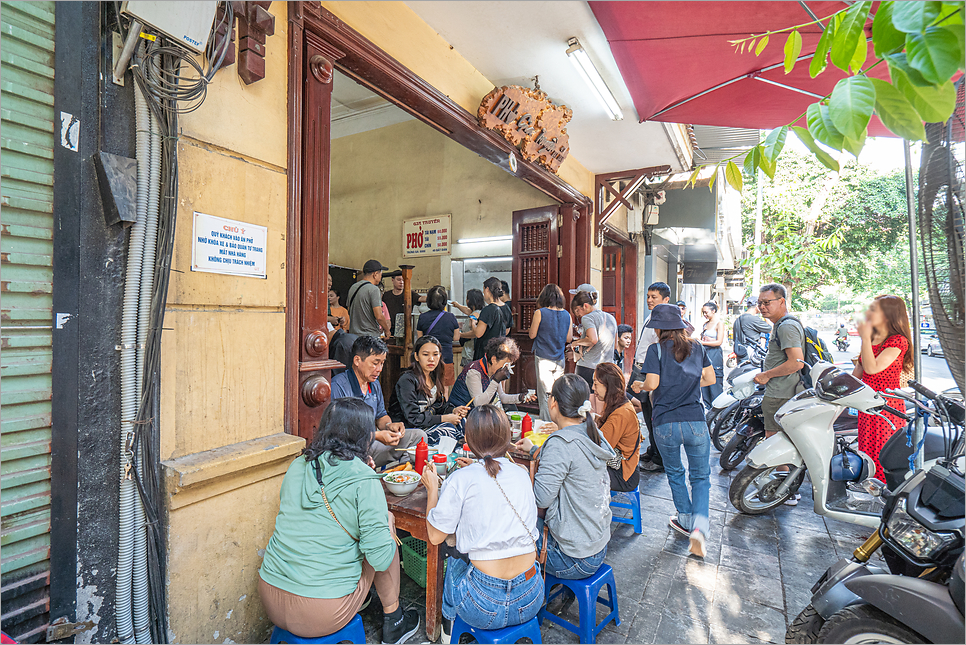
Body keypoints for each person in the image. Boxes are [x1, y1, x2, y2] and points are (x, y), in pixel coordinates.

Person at [258, 399, 420, 643]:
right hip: (322, 612)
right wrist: (383, 520)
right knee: (385, 526)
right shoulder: (364, 479)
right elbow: (380, 557)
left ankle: (360, 596)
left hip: (270, 596)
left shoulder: (296, 466)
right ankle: (394, 619)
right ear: (363, 435)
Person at [421, 406, 543, 641]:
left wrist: (433, 489)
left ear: (467, 439)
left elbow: (435, 536)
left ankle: (447, 633)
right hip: (530, 597)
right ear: (508, 437)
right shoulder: (520, 473)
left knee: (454, 557)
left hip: (483, 606)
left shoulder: (460, 479)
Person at [514, 375, 612, 580]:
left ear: (553, 403)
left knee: (512, 528)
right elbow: (573, 463)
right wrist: (535, 451)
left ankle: (523, 598)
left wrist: (520, 475)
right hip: (597, 546)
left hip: (572, 558)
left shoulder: (560, 443)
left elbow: (540, 499)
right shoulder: (591, 432)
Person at [638, 304, 716, 558]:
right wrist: (688, 384)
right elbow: (710, 379)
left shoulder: (655, 350)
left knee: (675, 472)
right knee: (701, 477)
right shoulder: (698, 347)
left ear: (659, 328)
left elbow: (653, 384)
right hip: (695, 420)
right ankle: (699, 528)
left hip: (665, 423)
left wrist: (640, 383)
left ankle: (684, 518)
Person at [330, 335, 427, 467]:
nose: (380, 369)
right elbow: (340, 434)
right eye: (375, 363)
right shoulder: (338, 385)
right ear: (357, 360)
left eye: (382, 363)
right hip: (350, 450)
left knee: (419, 436)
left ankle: (402, 474)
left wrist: (389, 426)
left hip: (373, 445)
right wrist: (376, 435)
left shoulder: (374, 384)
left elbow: (381, 415)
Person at [753, 284, 806, 505]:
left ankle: (786, 491)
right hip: (782, 391)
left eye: (767, 302)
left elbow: (796, 362)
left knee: (776, 442)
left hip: (782, 392)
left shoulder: (786, 326)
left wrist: (766, 375)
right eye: (760, 303)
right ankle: (784, 488)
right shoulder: (781, 325)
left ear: (781, 301)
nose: (762, 307)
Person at [852, 295, 912, 480]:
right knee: (867, 453)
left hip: (886, 407)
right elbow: (858, 373)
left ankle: (885, 495)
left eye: (873, 309)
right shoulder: (871, 339)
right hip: (867, 405)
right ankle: (870, 489)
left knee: (883, 453)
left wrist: (864, 338)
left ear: (888, 315)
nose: (868, 313)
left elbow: (873, 369)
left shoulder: (897, 341)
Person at [388, 336, 470, 445]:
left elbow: (439, 406)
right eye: (425, 354)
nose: (431, 359)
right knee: (448, 429)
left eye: (435, 354)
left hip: (427, 425)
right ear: (416, 356)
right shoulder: (407, 380)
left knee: (462, 422)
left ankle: (460, 454)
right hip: (410, 429)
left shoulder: (434, 376)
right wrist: (444, 418)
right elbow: (413, 418)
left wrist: (454, 411)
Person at [630, 282, 671, 473]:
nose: (649, 300)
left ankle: (660, 458)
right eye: (648, 296)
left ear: (666, 300)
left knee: (654, 415)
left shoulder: (664, 322)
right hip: (640, 368)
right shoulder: (652, 316)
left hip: (650, 371)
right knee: (646, 413)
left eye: (654, 297)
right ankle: (653, 449)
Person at [449, 337, 536, 411]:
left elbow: (502, 397)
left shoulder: (494, 371)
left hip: (478, 413)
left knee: (511, 408)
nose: (507, 368)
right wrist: (496, 380)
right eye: (506, 364)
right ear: (494, 359)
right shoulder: (474, 371)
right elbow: (479, 404)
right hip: (461, 414)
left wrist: (521, 397)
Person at [592, 363, 641, 492]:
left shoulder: (621, 413)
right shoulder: (619, 405)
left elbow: (599, 447)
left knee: (576, 471)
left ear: (608, 385)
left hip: (623, 476)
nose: (593, 388)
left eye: (596, 384)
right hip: (626, 469)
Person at [529, 284, 572, 421]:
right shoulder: (567, 315)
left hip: (543, 358)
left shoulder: (540, 313)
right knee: (558, 393)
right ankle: (557, 422)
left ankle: (546, 425)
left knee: (545, 395)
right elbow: (569, 338)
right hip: (559, 358)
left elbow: (532, 335)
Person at [569, 291, 618, 409]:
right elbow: (615, 345)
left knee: (586, 404)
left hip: (587, 367)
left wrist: (576, 343)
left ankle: (588, 426)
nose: (578, 315)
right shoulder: (611, 318)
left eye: (577, 311)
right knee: (601, 403)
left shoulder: (587, 318)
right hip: (606, 367)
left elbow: (593, 339)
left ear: (585, 306)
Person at [416, 286, 461, 395]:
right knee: (444, 389)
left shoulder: (423, 317)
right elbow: (456, 337)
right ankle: (443, 409)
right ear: (444, 301)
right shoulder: (451, 317)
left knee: (427, 386)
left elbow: (420, 339)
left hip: (427, 359)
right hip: (446, 357)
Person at [347, 260, 391, 338]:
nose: (381, 277)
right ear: (375, 274)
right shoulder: (374, 289)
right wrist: (387, 330)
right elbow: (379, 316)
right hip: (369, 337)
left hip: (354, 336)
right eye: (380, 274)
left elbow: (349, 310)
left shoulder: (353, 287)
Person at [469, 277, 508, 362]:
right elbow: (506, 330)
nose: (483, 293)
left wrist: (473, 323)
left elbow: (478, 333)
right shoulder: (504, 308)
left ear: (487, 289)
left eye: (483, 290)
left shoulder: (488, 310)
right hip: (499, 351)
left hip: (486, 354)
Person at [699, 301, 725, 411]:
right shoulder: (705, 324)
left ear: (713, 311)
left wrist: (703, 342)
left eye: (706, 312)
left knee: (715, 387)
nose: (705, 314)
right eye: (703, 312)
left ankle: (718, 415)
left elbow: (719, 342)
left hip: (715, 356)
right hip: (705, 355)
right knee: (705, 386)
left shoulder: (719, 324)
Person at [454, 289, 485, 372]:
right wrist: (457, 305)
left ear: (470, 301)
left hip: (470, 353)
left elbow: (474, 333)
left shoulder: (474, 315)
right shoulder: (481, 312)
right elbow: (468, 311)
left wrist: (460, 334)